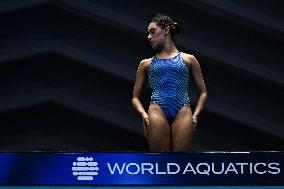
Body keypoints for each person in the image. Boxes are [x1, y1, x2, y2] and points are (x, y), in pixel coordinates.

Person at [132, 14, 207, 152]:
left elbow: (203, 92)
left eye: (152, 31)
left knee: (180, 159)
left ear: (166, 30)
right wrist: (144, 114)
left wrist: (195, 115)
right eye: (148, 33)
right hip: (157, 110)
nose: (149, 37)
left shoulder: (188, 59)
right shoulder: (146, 64)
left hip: (183, 110)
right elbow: (135, 97)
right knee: (160, 159)